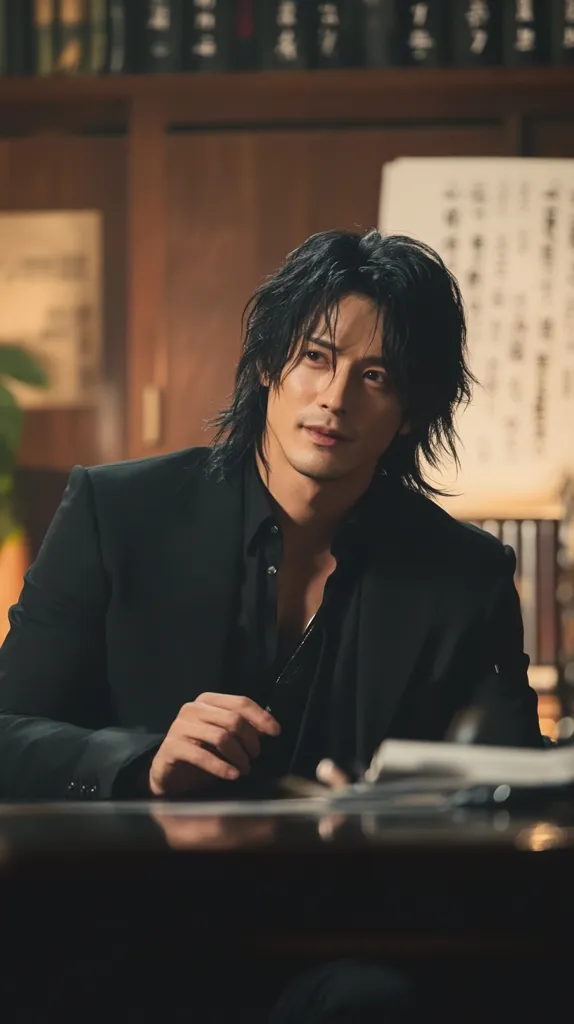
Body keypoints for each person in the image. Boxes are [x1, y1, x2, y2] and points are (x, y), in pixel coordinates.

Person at [0, 228, 542, 805]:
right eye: (316, 357)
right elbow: (9, 734)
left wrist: (402, 804)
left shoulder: (466, 575)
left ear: (410, 413)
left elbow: (518, 785)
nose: (335, 397)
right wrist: (143, 763)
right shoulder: (114, 514)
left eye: (376, 376)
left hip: (361, 888)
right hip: (144, 886)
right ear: (266, 363)